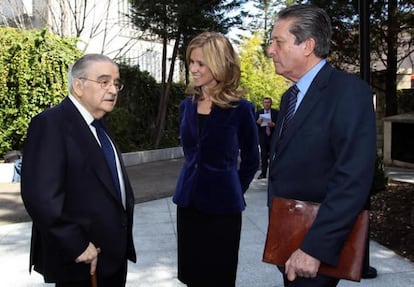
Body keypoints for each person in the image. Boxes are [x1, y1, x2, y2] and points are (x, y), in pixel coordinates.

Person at [266, 4, 376, 287]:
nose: (270, 50)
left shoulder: (349, 93)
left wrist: (314, 248)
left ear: (308, 45)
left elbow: (353, 180)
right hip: (289, 240)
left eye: (278, 42)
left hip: (314, 250)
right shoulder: (289, 98)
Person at [20, 54, 137, 287]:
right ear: (78, 85)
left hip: (111, 257)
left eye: (116, 83)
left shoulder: (99, 125)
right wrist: (77, 244)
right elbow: (41, 197)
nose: (113, 89)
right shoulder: (50, 124)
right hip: (81, 260)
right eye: (104, 82)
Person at [173, 32, 259, 287]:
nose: (194, 69)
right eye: (191, 62)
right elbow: (191, 154)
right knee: (192, 277)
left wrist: (232, 189)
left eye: (201, 63)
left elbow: (252, 160)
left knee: (218, 278)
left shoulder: (241, 109)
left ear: (219, 64)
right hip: (188, 205)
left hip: (223, 211)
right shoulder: (185, 106)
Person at [256, 97, 278, 179]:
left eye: (268, 102)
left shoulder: (276, 113)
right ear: (263, 103)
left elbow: (280, 124)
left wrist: (274, 124)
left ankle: (273, 174)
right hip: (263, 137)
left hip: (273, 137)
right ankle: (263, 173)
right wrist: (257, 122)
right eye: (265, 102)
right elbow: (253, 125)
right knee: (263, 156)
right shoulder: (258, 113)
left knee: (273, 156)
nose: (267, 104)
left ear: (271, 103)